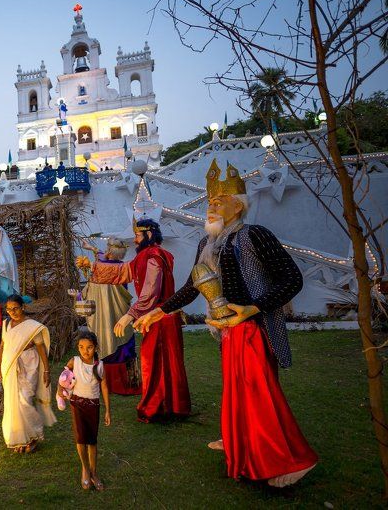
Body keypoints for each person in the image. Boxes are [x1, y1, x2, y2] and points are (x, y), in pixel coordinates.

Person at [134, 159, 317, 488]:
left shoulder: (255, 236)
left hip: (255, 332)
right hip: (228, 334)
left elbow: (292, 279)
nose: (211, 207)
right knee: (238, 396)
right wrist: (158, 311)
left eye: (218, 201)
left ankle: (281, 464)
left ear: (238, 204)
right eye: (209, 201)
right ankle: (245, 454)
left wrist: (252, 308)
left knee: (259, 396)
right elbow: (192, 287)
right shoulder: (207, 244)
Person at [114, 219, 191, 422]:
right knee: (168, 363)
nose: (134, 239)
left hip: (159, 318)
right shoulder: (149, 256)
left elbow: (150, 292)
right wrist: (93, 266)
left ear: (149, 235)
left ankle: (157, 407)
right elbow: (122, 272)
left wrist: (129, 315)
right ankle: (174, 406)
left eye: (138, 235)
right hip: (164, 318)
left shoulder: (153, 257)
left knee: (154, 363)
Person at [0, 294, 56, 453]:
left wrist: (47, 370)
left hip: (29, 364)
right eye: (8, 309)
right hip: (9, 366)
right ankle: (20, 438)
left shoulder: (31, 326)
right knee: (12, 402)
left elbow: (41, 348)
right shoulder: (6, 324)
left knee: (24, 400)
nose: (12, 312)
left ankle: (34, 435)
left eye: (15, 308)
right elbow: (3, 345)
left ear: (23, 307)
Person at [81, 237, 140, 395]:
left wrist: (89, 264)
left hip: (105, 312)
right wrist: (91, 249)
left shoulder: (112, 268)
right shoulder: (122, 267)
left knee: (106, 337)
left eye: (107, 248)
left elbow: (102, 267)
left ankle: (102, 380)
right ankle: (127, 382)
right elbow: (103, 261)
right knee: (121, 339)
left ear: (110, 251)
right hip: (120, 311)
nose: (105, 250)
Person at [59, 331, 111, 491]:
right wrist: (59, 389)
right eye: (81, 347)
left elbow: (104, 386)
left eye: (89, 347)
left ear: (95, 348)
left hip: (93, 405)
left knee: (92, 440)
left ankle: (94, 472)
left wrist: (108, 410)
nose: (85, 351)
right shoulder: (74, 361)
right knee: (81, 439)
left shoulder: (100, 365)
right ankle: (85, 469)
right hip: (77, 405)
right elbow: (63, 377)